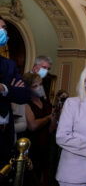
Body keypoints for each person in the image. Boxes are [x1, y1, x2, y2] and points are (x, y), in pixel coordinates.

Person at [0, 16, 30, 186]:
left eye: (4, 29)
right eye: (1, 27)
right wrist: (11, 88)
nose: (4, 32)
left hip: (4, 135)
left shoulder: (9, 65)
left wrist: (4, 89)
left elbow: (23, 94)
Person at [23, 72, 54, 186]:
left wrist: (55, 118)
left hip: (46, 145)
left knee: (44, 178)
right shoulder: (26, 103)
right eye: (35, 86)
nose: (40, 87)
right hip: (32, 146)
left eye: (40, 84)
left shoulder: (46, 103)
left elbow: (51, 129)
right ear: (28, 87)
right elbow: (32, 126)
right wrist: (48, 118)